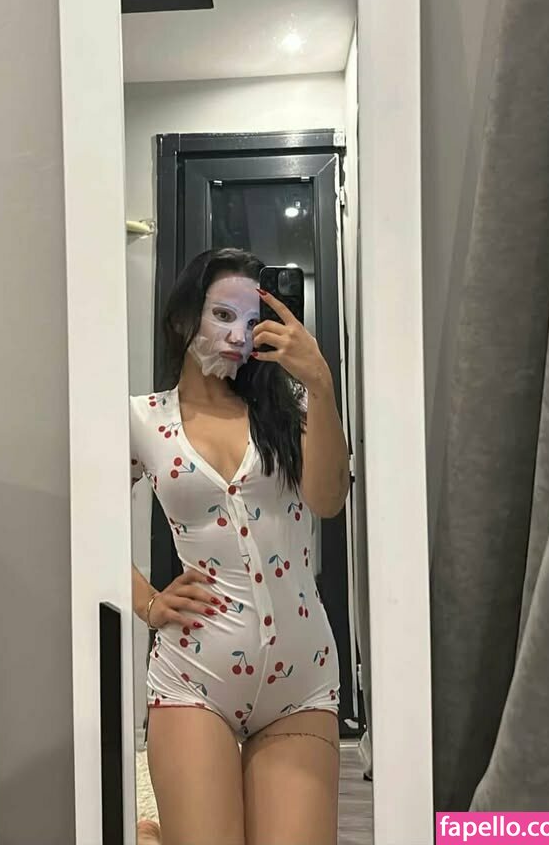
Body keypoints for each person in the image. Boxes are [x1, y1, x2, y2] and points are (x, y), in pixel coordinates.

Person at [131, 248, 350, 845]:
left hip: (301, 680)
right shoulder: (142, 420)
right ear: (183, 319)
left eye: (252, 321)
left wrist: (320, 383)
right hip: (194, 677)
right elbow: (87, 525)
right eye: (222, 315)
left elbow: (329, 499)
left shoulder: (291, 410)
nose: (238, 335)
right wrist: (147, 601)